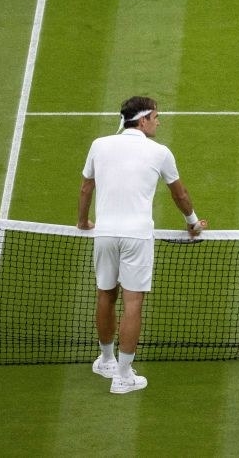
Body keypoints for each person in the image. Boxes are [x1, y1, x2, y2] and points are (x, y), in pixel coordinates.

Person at [76, 96, 206, 394]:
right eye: (156, 117)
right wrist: (193, 222)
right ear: (143, 120)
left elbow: (86, 187)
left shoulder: (99, 145)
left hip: (105, 234)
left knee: (105, 296)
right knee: (133, 303)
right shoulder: (160, 153)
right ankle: (123, 377)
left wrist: (83, 222)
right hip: (137, 237)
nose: (159, 122)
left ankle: (106, 361)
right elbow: (180, 194)